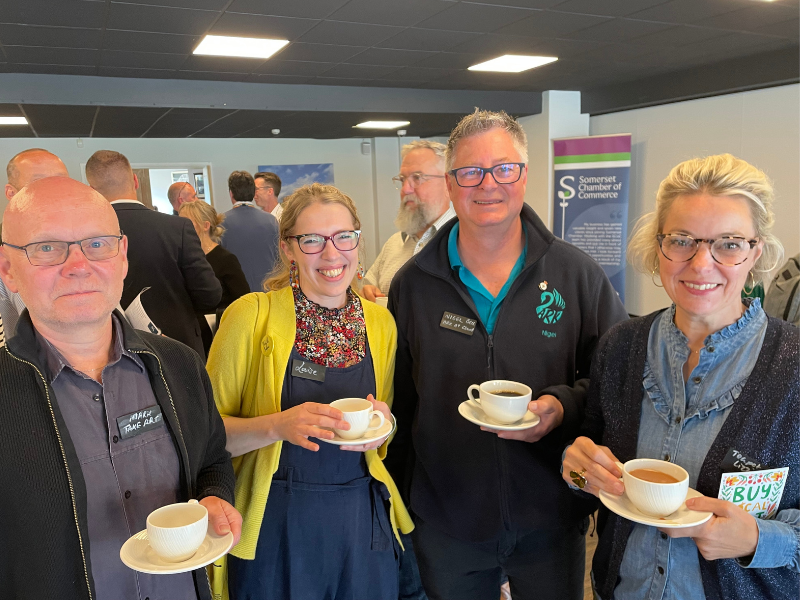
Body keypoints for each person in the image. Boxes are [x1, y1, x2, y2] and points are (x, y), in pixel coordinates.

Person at [386, 109, 628, 600]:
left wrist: (561, 406)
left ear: (523, 175)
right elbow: (401, 404)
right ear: (452, 185)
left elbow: (615, 380)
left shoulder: (575, 275)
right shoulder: (413, 286)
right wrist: (400, 508)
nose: (488, 184)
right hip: (446, 519)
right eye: (471, 172)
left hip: (551, 514)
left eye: (503, 168)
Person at [562, 154, 799, 600]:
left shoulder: (793, 368)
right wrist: (575, 471)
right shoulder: (621, 348)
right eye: (682, 240)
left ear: (755, 253)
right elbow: (587, 477)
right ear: (659, 247)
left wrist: (757, 540)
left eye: (728, 243)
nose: (701, 263)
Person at [0, 176, 241, 600]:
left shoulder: (179, 364)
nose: (78, 265)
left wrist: (215, 496)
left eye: (97, 244)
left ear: (123, 257)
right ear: (8, 270)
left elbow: (212, 460)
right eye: (47, 248)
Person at [207, 183, 413, 600]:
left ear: (359, 240)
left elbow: (383, 427)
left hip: (361, 517)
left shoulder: (380, 323)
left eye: (343, 237)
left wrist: (383, 427)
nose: (332, 254)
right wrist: (277, 426)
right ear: (289, 249)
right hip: (277, 521)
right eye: (313, 240)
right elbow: (204, 438)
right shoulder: (250, 317)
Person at [85, 150, 222, 359]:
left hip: (108, 350)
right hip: (178, 347)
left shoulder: (84, 236)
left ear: (92, 190)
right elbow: (209, 295)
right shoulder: (178, 228)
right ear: (134, 181)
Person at [362, 140, 456, 303]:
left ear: (448, 184)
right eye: (403, 179)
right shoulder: (393, 245)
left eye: (417, 178)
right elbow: (367, 289)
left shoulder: (466, 244)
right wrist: (366, 293)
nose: (405, 189)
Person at [1, 148, 70, 332]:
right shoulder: (5, 250)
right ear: (11, 193)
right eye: (39, 183)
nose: (54, 192)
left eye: (61, 182)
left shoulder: (82, 238)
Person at [179, 200, 250, 356]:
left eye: (187, 222)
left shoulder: (225, 259)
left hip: (216, 339)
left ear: (205, 226)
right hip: (189, 338)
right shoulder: (182, 258)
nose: (181, 227)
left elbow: (243, 300)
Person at [220, 170, 280, 293]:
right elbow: (279, 260)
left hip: (235, 294)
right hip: (267, 292)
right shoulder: (272, 221)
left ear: (231, 194)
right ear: (253, 194)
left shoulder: (220, 223)